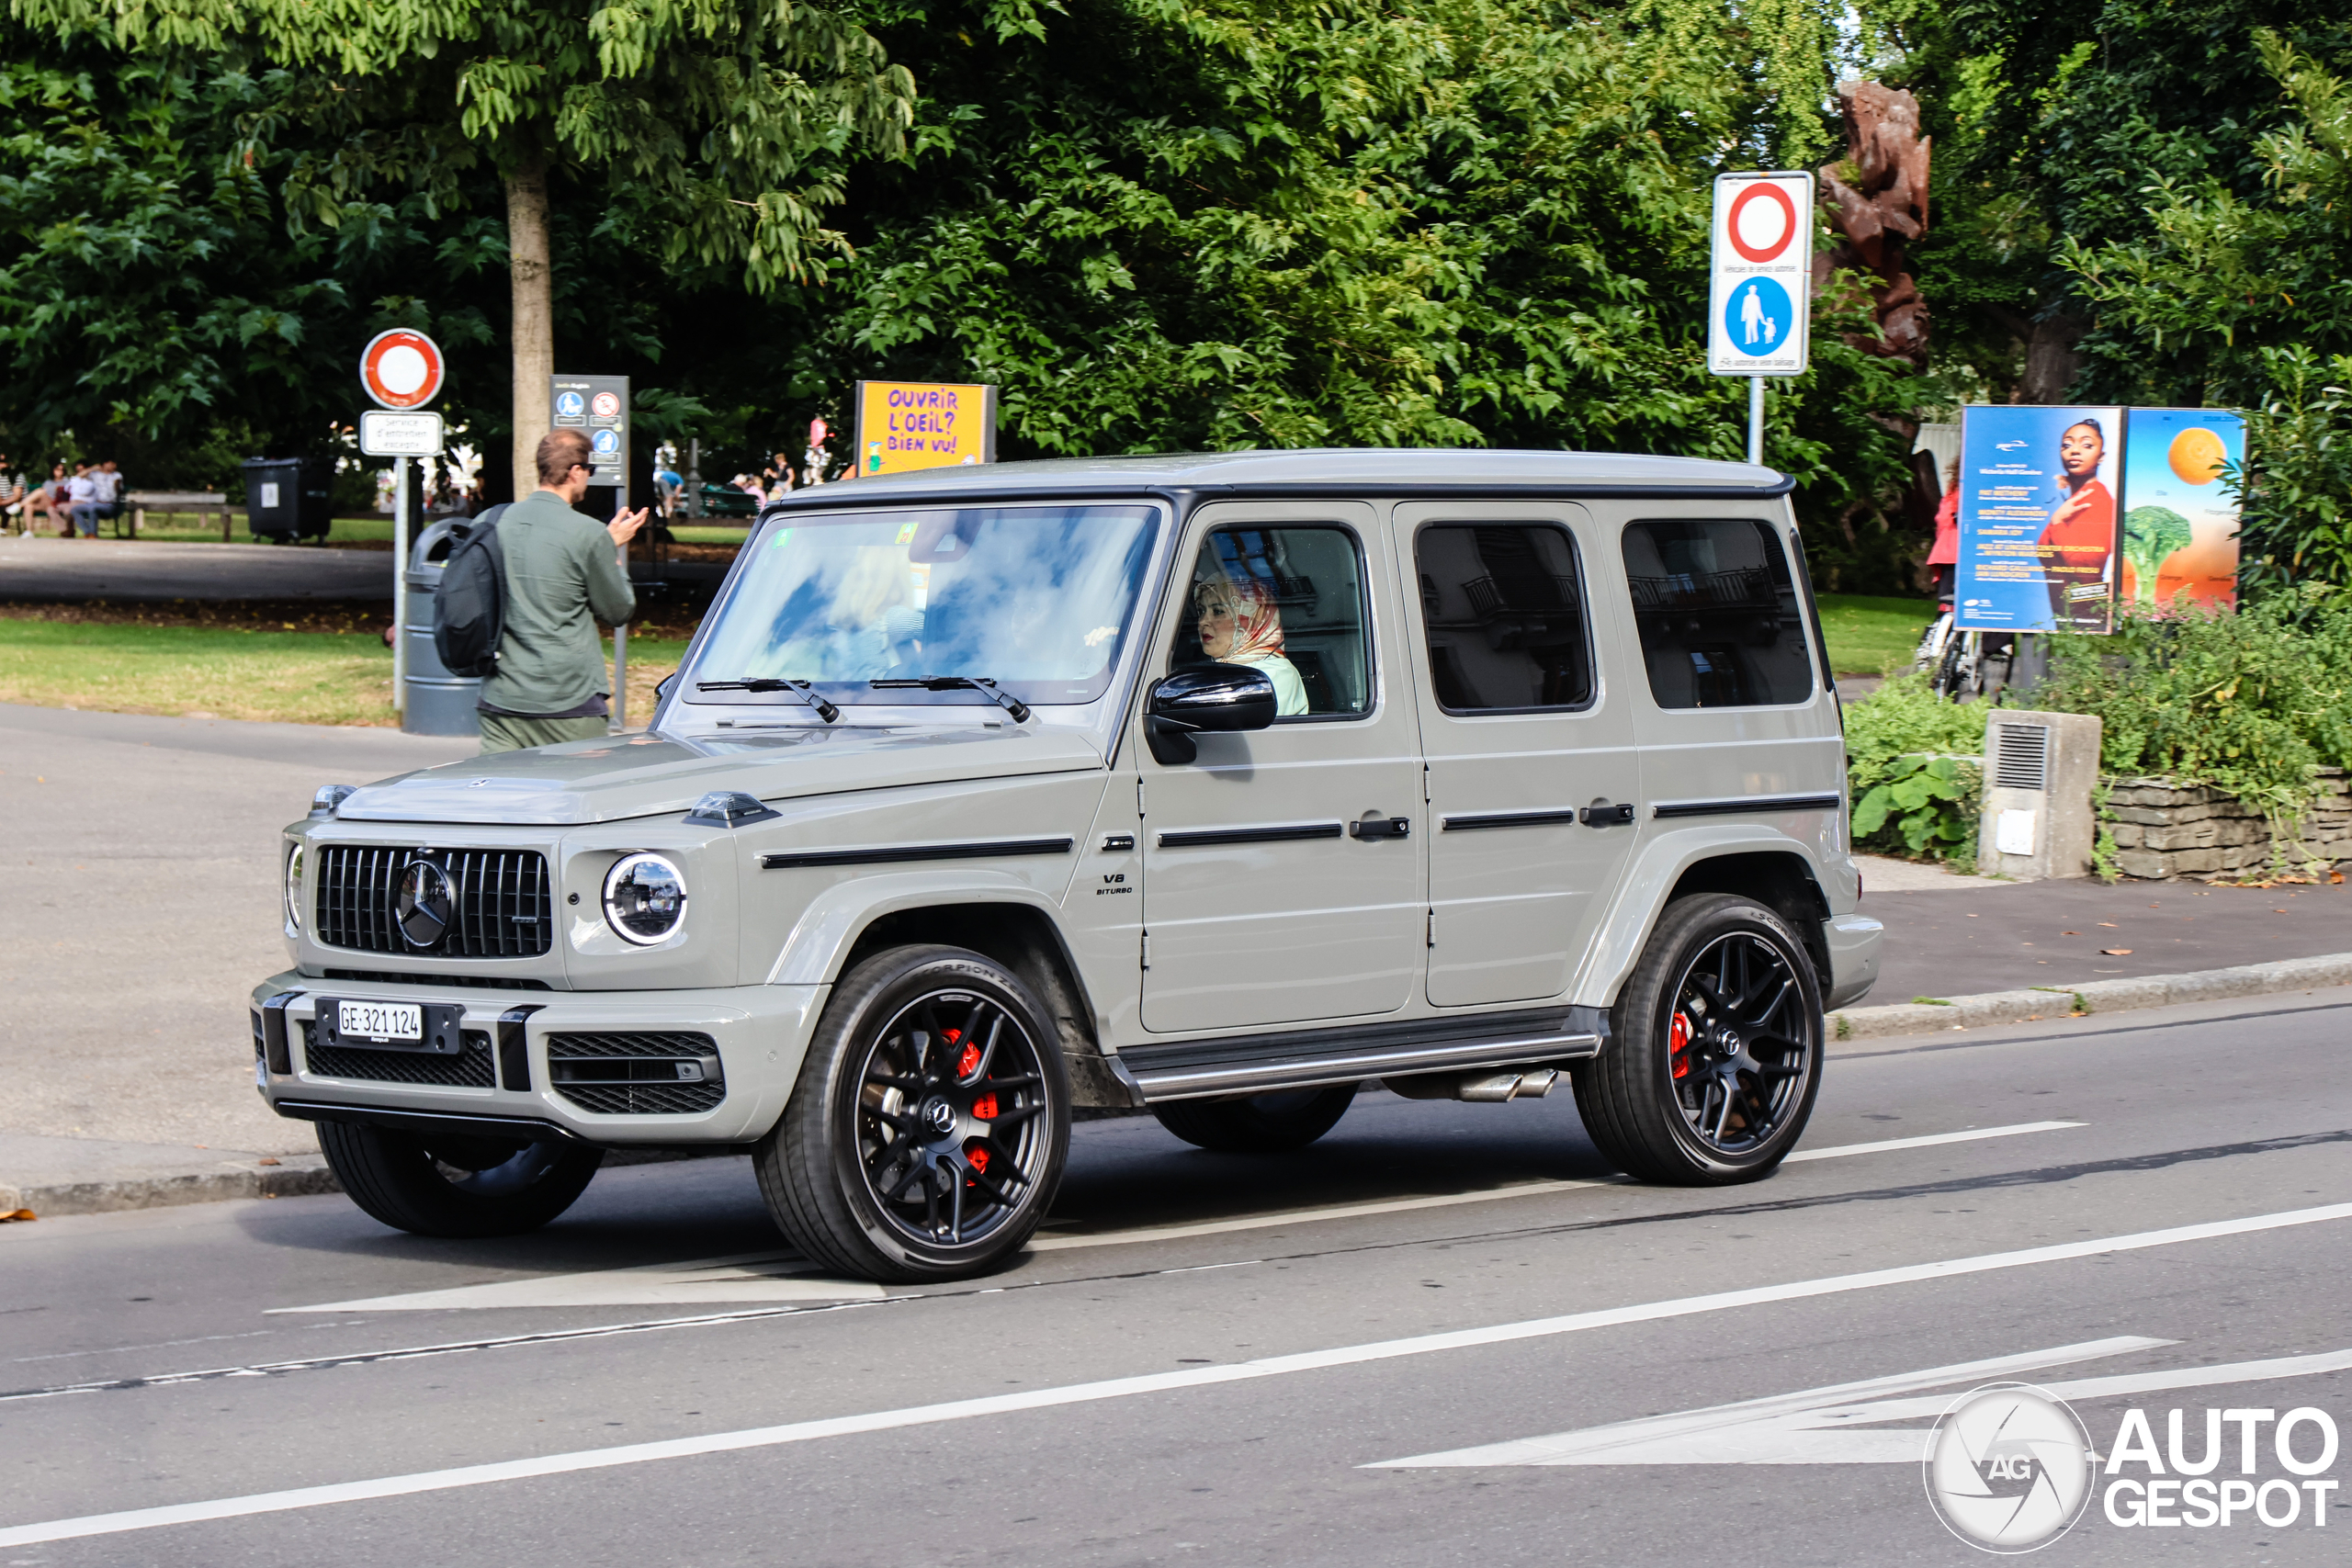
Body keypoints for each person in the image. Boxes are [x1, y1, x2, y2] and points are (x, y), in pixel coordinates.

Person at [475, 428, 650, 754]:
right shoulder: (588, 533)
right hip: (567, 701)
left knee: (500, 799)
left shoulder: (488, 521)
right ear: (575, 472)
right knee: (580, 797)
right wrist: (608, 549)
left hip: (501, 697)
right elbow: (618, 609)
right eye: (589, 470)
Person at [2036, 418, 2116, 626]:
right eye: (2067, 445)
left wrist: (2057, 523)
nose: (2075, 451)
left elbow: (2085, 569)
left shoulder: (2100, 500)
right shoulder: (2072, 503)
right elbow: (2045, 553)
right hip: (2065, 616)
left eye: (2087, 445)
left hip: (2087, 617)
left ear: (2101, 456)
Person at [1195, 575, 1307, 715]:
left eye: (1218, 611)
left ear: (1251, 620)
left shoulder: (1274, 676)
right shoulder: (1211, 670)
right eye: (1201, 611)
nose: (1202, 621)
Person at [1926, 458, 1960, 604]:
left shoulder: (1955, 487)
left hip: (1951, 550)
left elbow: (1943, 518)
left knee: (1948, 601)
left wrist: (1942, 539)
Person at [88, 459, 125, 535]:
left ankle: (92, 534)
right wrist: (92, 468)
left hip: (110, 504)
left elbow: (120, 490)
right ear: (104, 464)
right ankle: (89, 533)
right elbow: (78, 476)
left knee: (93, 508)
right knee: (75, 509)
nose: (114, 466)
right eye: (111, 464)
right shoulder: (95, 474)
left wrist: (117, 486)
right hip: (96, 502)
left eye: (114, 464)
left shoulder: (117, 475)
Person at [64, 460, 98, 537]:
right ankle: (69, 531)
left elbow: (85, 492)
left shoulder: (92, 479)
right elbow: (67, 488)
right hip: (73, 501)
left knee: (70, 510)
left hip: (85, 502)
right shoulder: (76, 479)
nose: (79, 472)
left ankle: (88, 532)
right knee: (55, 508)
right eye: (78, 469)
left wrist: (74, 490)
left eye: (81, 469)